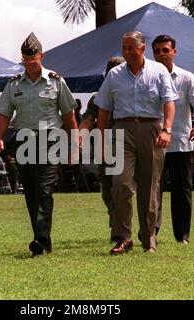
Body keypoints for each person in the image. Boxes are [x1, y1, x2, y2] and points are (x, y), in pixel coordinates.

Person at [0, 32, 78, 257]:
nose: (30, 62)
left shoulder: (56, 81)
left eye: (34, 58)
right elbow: (3, 114)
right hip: (23, 139)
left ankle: (40, 241)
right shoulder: (13, 85)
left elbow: (69, 115)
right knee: (30, 191)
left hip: (49, 138)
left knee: (44, 189)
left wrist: (75, 143)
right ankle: (42, 240)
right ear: (22, 59)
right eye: (26, 59)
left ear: (42, 56)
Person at [96, 31, 178, 254]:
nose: (127, 52)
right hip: (121, 130)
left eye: (131, 48)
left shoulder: (158, 71)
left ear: (142, 49)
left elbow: (169, 104)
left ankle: (149, 238)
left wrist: (166, 130)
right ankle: (123, 237)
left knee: (149, 187)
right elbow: (103, 110)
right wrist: (102, 139)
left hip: (152, 129)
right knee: (120, 183)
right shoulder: (113, 75)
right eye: (124, 48)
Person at [151, 34, 194, 244]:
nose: (161, 55)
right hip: (154, 144)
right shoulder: (148, 77)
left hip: (182, 142)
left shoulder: (186, 77)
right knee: (153, 190)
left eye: (165, 50)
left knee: (182, 191)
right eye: (157, 51)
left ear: (174, 51)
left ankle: (182, 235)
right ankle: (151, 234)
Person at [79, 56, 125, 230]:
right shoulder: (97, 97)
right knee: (107, 190)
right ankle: (115, 215)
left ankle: (120, 223)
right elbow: (87, 120)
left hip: (127, 145)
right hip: (104, 147)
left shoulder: (131, 94)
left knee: (123, 186)